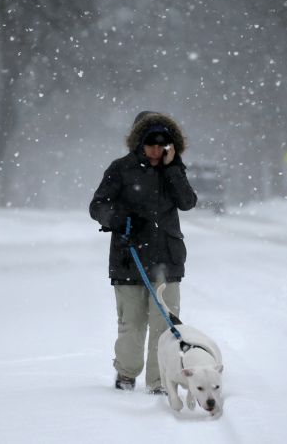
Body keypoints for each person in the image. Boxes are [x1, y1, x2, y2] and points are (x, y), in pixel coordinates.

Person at [90, 111, 197, 394]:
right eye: (151, 143)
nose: (156, 150)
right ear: (139, 142)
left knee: (164, 325)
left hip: (167, 259)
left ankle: (160, 380)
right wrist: (118, 218)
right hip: (129, 258)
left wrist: (173, 168)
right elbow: (97, 205)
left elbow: (187, 202)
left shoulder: (174, 169)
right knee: (132, 325)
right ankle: (126, 374)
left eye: (163, 144)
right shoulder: (121, 169)